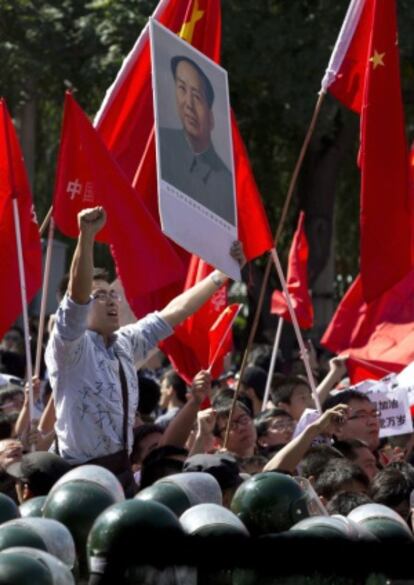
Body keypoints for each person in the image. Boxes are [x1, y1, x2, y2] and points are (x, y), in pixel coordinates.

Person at [44, 206, 245, 496]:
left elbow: (175, 312)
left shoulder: (125, 342)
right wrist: (86, 237)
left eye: (112, 294)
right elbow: (77, 296)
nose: (111, 301)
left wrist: (219, 275)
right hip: (78, 479)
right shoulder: (69, 345)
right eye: (99, 296)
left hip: (120, 473)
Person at [159, 55, 235, 225]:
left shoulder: (226, 184)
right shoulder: (159, 144)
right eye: (182, 89)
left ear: (212, 117)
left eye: (197, 97)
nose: (188, 104)